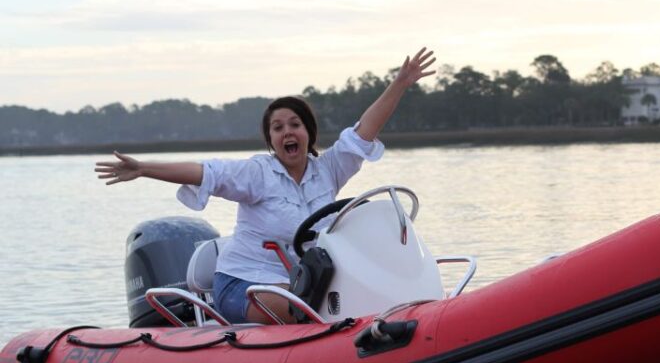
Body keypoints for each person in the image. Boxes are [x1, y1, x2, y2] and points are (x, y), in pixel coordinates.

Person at [96, 48, 436, 324]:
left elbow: (364, 132)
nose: (287, 132)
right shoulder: (258, 173)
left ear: (308, 133)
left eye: (294, 124)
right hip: (243, 282)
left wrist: (400, 83)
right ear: (271, 140)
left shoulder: (329, 169)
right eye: (277, 127)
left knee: (336, 295)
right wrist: (144, 168)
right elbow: (205, 173)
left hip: (303, 281)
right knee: (303, 307)